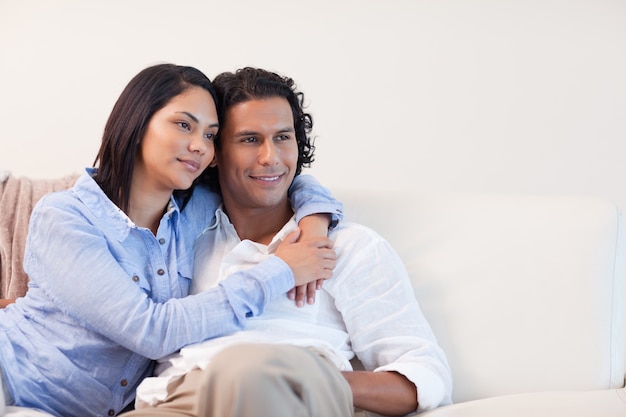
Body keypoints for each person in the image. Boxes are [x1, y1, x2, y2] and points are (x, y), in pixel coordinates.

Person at [0, 63, 343, 417]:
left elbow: (277, 180)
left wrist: (313, 227)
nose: (199, 146)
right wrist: (282, 270)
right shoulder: (64, 217)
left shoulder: (196, 209)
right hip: (11, 380)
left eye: (210, 135)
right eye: (184, 125)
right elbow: (150, 331)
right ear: (137, 123)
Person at [130, 67, 453, 417]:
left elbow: (425, 376)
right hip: (175, 399)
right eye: (250, 140)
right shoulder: (177, 239)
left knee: (248, 369)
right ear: (215, 151)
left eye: (283, 137)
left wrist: (317, 380)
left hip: (291, 393)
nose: (271, 158)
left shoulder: (347, 247)